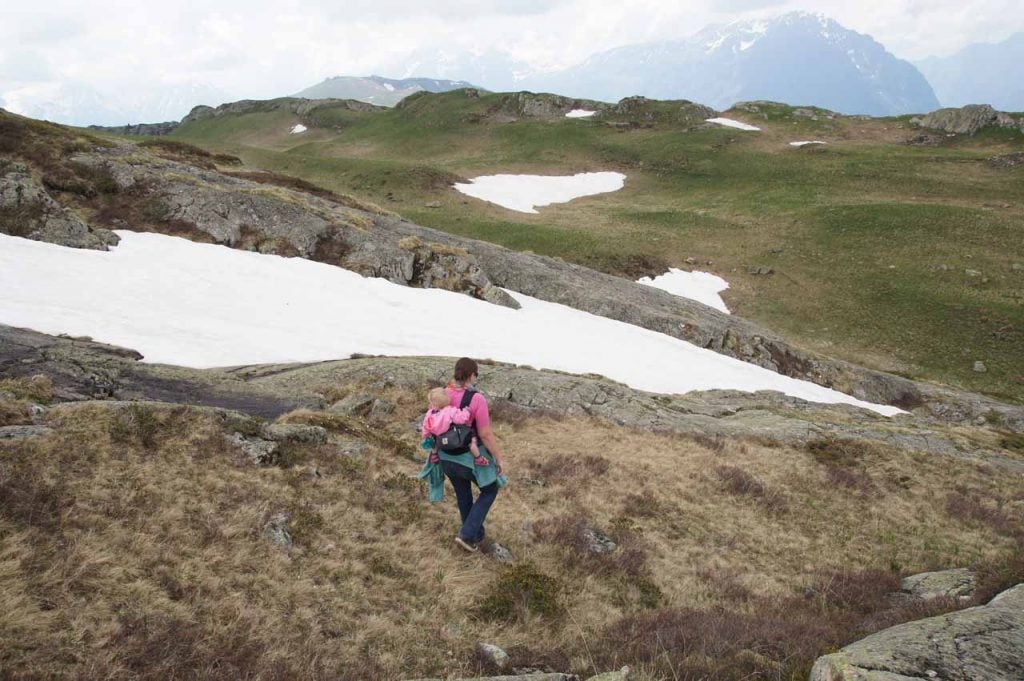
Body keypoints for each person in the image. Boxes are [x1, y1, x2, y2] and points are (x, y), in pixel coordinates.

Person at [439, 357, 508, 553]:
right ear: (471, 375)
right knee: (490, 489)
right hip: (468, 456)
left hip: (446, 455)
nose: (476, 378)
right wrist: (498, 458)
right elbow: (485, 434)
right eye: (476, 374)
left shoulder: (442, 394)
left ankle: (473, 537)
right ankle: (467, 534)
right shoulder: (476, 398)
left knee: (463, 494)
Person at [420, 387, 484, 465]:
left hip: (438, 437)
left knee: (434, 441)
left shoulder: (430, 413)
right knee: (473, 439)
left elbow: (425, 425)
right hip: (450, 435)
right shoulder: (449, 410)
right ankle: (478, 458)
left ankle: (434, 455)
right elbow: (461, 419)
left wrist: (425, 435)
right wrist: (467, 410)